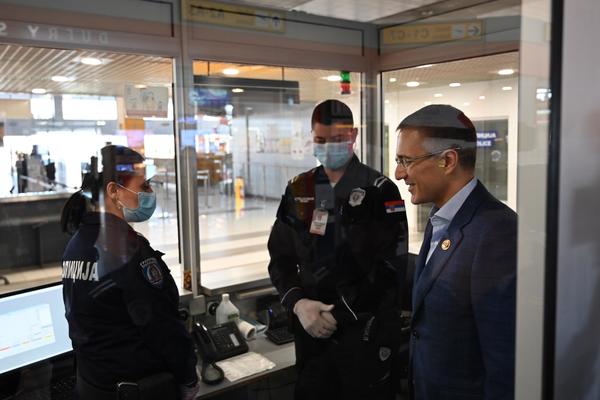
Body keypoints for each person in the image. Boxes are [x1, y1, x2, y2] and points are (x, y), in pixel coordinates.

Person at [268, 99, 409, 400]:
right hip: (310, 336)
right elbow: (279, 258)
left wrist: (337, 315)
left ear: (353, 136)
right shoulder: (299, 189)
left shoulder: (380, 191)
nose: (327, 147)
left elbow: (391, 268)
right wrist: (297, 304)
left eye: (337, 140)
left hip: (363, 336)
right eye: (320, 140)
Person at [394, 104, 516, 399]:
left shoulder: (497, 234)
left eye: (406, 161)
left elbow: (504, 364)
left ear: (447, 161)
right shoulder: (441, 219)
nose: (398, 174)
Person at [60, 145, 199, 400]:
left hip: (94, 386)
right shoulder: (126, 250)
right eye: (143, 185)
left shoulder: (76, 244)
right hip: (138, 390)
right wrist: (188, 376)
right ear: (114, 191)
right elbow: (162, 325)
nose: (150, 193)